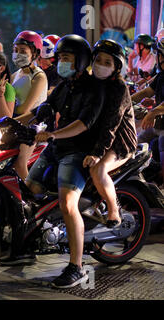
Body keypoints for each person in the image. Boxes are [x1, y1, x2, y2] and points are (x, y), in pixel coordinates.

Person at [23, 35, 105, 288]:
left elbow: (83, 124)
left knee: (68, 204)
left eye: (66, 58)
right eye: (60, 58)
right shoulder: (64, 86)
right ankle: (42, 237)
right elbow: (43, 108)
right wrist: (13, 124)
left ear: (80, 61)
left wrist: (54, 134)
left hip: (79, 152)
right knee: (29, 189)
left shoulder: (95, 89)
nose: (61, 62)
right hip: (56, 147)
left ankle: (77, 267)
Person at [84, 39, 137, 228]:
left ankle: (113, 209)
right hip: (98, 140)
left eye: (108, 63)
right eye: (99, 60)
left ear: (116, 67)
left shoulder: (119, 88)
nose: (101, 66)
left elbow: (111, 125)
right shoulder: (90, 83)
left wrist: (97, 153)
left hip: (120, 142)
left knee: (97, 169)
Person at [10, 30, 48, 180]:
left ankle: (31, 199)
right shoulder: (15, 74)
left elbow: (26, 108)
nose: (17, 54)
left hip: (33, 126)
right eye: (15, 50)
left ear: (34, 53)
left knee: (19, 163)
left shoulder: (39, 77)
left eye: (22, 51)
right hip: (14, 124)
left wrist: (8, 111)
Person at [134, 37, 164, 182]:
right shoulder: (161, 76)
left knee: (162, 141)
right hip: (160, 122)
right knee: (138, 140)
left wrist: (153, 111)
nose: (158, 58)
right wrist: (127, 98)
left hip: (162, 125)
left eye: (159, 55)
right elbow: (146, 92)